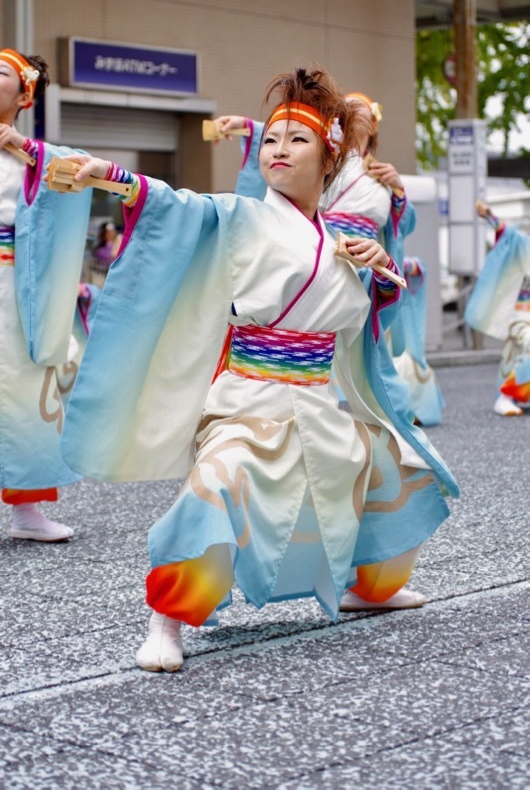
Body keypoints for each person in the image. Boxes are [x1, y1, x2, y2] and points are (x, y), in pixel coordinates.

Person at [59, 66, 458, 673]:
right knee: (215, 486)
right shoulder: (243, 216)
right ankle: (166, 618)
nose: (277, 150)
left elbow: (358, 323)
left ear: (329, 158)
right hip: (248, 400)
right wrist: (118, 179)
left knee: (397, 468)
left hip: (320, 401)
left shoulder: (341, 238)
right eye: (270, 139)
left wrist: (378, 274)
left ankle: (371, 588)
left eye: (296, 140)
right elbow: (179, 205)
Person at [214, 93, 445, 426]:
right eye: (352, 109)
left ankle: (392, 414)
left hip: (362, 260)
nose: (359, 113)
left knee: (372, 344)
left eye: (366, 110)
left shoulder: (379, 173)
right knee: (301, 327)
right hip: (319, 253)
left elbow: (402, 225)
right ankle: (296, 403)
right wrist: (249, 129)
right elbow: (291, 143)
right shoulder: (325, 160)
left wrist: (397, 193)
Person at [0, 48, 91, 541]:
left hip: (15, 289)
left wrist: (29, 152)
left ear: (24, 93)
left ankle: (26, 511)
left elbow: (80, 175)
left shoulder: (37, 156)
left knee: (21, 389)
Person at [465, 199, 530, 416]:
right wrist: (489, 215)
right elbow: (507, 233)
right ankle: (505, 395)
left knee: (514, 354)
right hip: (520, 316)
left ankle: (510, 395)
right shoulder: (524, 245)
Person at [90, 221, 122, 287]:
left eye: (112, 232)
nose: (110, 234)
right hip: (101, 279)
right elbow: (109, 258)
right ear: (103, 234)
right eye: (107, 232)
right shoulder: (99, 250)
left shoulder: (117, 245)